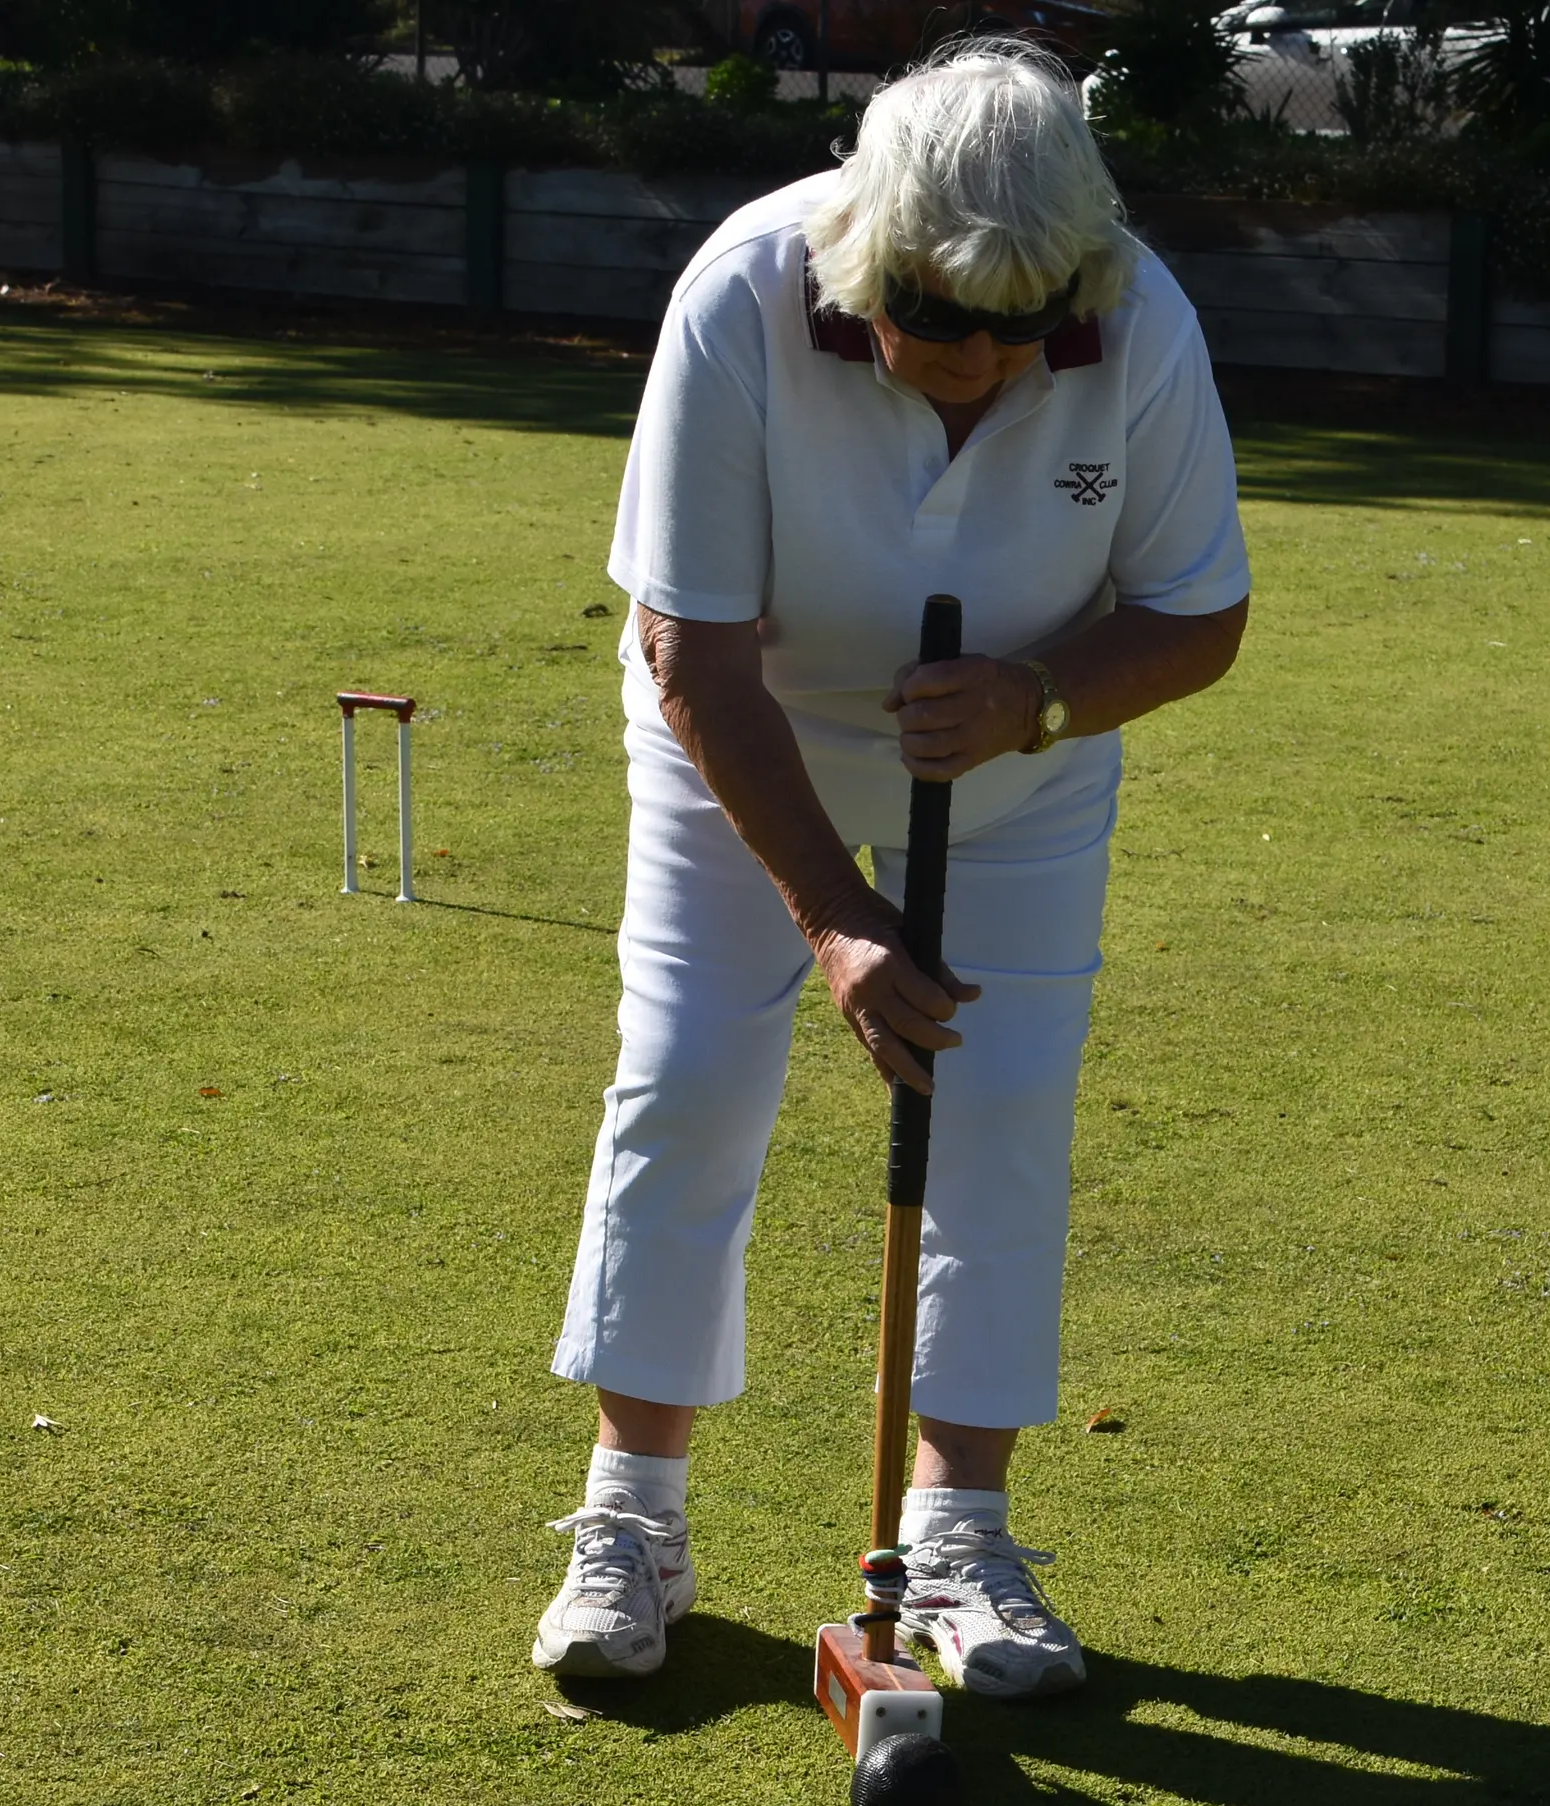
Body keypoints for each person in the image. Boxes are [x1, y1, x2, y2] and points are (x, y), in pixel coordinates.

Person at [533, 41, 1251, 1697]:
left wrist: (1039, 698)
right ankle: (632, 1516)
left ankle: (958, 1537)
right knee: (690, 1072)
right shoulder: (740, 298)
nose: (987, 365)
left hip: (1015, 765)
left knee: (1000, 1104)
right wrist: (841, 921)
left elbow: (1199, 613)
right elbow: (691, 652)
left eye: (1029, 329)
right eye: (942, 325)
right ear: (867, 268)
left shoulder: (1137, 322)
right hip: (747, 744)